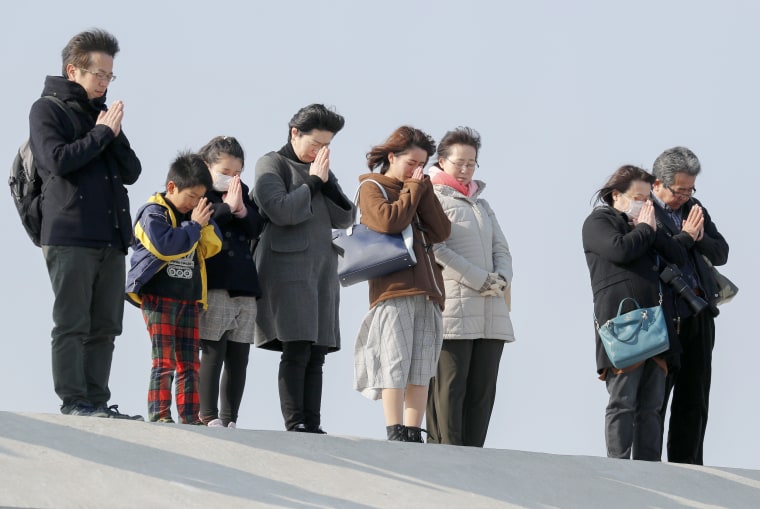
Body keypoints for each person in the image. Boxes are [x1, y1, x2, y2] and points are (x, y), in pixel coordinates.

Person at [28, 29, 142, 419]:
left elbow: (132, 171)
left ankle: (96, 401)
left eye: (110, 76)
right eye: (99, 74)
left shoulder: (101, 115)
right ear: (72, 70)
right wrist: (100, 133)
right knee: (72, 322)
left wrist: (113, 133)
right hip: (69, 234)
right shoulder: (47, 110)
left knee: (107, 326)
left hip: (110, 236)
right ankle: (73, 401)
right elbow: (56, 160)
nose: (104, 82)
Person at [252, 104, 355, 433]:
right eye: (315, 144)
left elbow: (346, 217)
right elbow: (281, 210)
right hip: (286, 269)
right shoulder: (272, 163)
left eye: (327, 146)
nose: (320, 151)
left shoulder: (319, 170)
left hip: (321, 270)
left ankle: (313, 423)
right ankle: (295, 421)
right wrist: (311, 183)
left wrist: (325, 183)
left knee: (317, 350)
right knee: (295, 347)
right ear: (294, 133)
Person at [353, 126, 451, 443]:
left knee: (421, 365)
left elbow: (441, 231)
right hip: (393, 290)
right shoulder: (372, 187)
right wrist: (411, 187)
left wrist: (424, 190)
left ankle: (413, 430)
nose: (417, 170)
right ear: (392, 157)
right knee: (395, 361)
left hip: (428, 290)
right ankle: (394, 430)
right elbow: (389, 221)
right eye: (411, 162)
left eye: (422, 164)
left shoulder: (417, 189)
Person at [582, 165, 685, 461]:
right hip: (622, 325)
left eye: (647, 198)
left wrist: (655, 230)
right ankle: (618, 464)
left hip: (656, 324)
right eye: (638, 197)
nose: (644, 204)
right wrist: (645, 229)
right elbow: (620, 251)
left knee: (652, 404)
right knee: (623, 400)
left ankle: (649, 465)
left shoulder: (646, 225)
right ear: (617, 195)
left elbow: (676, 255)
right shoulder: (599, 221)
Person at [424, 127, 515, 447]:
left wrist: (503, 277)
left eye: (472, 163)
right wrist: (479, 278)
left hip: (492, 307)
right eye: (459, 162)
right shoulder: (432, 195)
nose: (465, 169)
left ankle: (476, 455)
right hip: (455, 307)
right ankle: (446, 453)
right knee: (450, 385)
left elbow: (501, 248)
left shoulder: (483, 204)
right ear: (442, 161)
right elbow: (435, 248)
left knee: (483, 388)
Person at [126, 152, 222, 424]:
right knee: (164, 361)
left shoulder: (194, 216)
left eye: (200, 198)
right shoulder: (152, 212)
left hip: (189, 297)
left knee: (191, 364)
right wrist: (193, 226)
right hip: (158, 296)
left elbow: (212, 246)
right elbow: (165, 246)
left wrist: (199, 223)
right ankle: (159, 415)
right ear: (172, 187)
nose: (194, 203)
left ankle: (190, 417)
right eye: (191, 196)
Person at [650, 147, 729, 465]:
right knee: (656, 397)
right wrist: (684, 236)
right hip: (665, 315)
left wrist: (695, 237)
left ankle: (690, 467)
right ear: (658, 184)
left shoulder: (694, 208)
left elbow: (721, 251)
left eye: (690, 189)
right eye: (679, 190)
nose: (685, 196)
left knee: (695, 396)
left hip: (699, 312)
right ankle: (649, 466)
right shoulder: (644, 211)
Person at [197, 136, 265, 428]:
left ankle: (230, 417)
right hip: (215, 282)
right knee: (214, 350)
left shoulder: (243, 193)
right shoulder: (199, 192)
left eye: (237, 173)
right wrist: (226, 208)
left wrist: (241, 209)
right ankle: (208, 415)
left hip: (245, 284)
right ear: (207, 166)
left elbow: (256, 227)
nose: (231, 178)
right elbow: (200, 226)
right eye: (225, 171)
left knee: (239, 355)